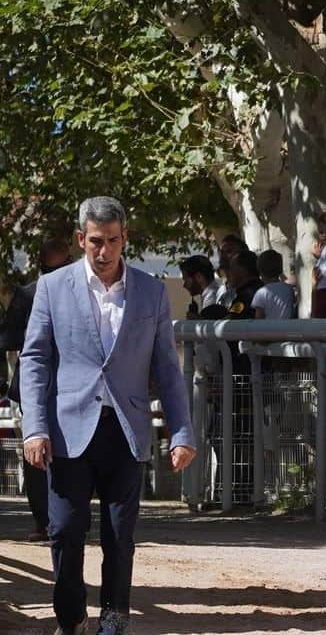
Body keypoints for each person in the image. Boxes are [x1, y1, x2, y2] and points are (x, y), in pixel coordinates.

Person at [19, 197, 195, 635]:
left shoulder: (151, 291)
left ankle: (114, 617)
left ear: (124, 239)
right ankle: (71, 614)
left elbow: (166, 369)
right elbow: (35, 359)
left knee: (120, 535)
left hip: (126, 427)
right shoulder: (53, 287)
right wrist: (35, 428)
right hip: (68, 429)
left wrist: (182, 431)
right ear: (81, 239)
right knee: (64, 530)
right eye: (96, 241)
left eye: (113, 241)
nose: (104, 251)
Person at [1, 238, 73, 543]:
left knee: (70, 454)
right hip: (34, 386)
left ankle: (66, 518)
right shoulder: (29, 294)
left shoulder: (82, 292)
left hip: (72, 385)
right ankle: (44, 521)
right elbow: (7, 338)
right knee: (35, 452)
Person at [179, 254, 225, 319]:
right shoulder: (214, 292)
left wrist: (197, 320)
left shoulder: (211, 296)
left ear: (199, 277)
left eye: (185, 279)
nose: (184, 285)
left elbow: (211, 327)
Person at [252, 250, 295, 320]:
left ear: (260, 271)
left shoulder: (260, 293)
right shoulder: (288, 289)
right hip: (288, 329)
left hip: (269, 330)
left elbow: (258, 318)